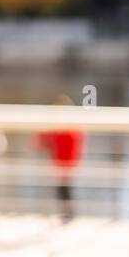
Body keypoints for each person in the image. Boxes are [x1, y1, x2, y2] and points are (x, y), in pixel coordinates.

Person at [36, 95, 83, 223]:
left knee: (63, 189)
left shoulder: (68, 127)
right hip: (61, 162)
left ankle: (67, 214)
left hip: (65, 163)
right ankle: (66, 214)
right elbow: (42, 142)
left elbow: (46, 142)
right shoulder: (66, 127)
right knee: (63, 189)